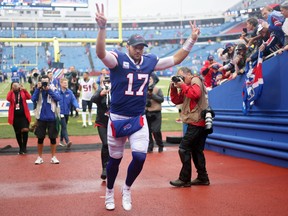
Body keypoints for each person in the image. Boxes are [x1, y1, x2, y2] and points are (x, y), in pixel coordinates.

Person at [95, 3, 200, 211]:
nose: (139, 50)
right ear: (128, 46)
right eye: (136, 47)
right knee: (114, 161)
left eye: (142, 47)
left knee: (140, 157)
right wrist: (102, 29)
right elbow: (100, 53)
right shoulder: (118, 59)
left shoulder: (149, 61)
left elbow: (176, 58)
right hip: (116, 117)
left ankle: (126, 188)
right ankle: (109, 192)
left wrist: (192, 40)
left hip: (137, 118)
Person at [169, 67, 210, 187]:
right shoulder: (187, 85)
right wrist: (173, 88)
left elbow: (195, 94)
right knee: (196, 150)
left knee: (184, 148)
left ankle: (185, 179)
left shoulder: (195, 80)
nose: (181, 79)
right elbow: (176, 100)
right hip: (197, 122)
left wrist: (182, 85)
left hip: (196, 122)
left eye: (182, 76)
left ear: (189, 75)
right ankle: (203, 177)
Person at [32, 75, 61, 165]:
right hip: (41, 117)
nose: (45, 83)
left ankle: (53, 157)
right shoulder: (38, 89)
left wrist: (49, 90)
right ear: (40, 81)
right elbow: (33, 99)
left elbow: (58, 98)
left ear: (49, 81)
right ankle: (40, 157)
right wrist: (38, 89)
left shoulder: (53, 88)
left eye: (46, 81)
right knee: (40, 138)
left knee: (53, 138)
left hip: (52, 117)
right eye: (43, 81)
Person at [91, 75, 111, 181]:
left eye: (109, 81)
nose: (107, 83)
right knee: (106, 143)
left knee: (114, 146)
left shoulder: (116, 91)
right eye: (105, 81)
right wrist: (101, 94)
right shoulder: (100, 90)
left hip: (114, 123)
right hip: (102, 122)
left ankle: (111, 166)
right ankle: (104, 167)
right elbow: (93, 99)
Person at [7, 82, 31, 155]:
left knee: (25, 131)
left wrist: (24, 90)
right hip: (15, 117)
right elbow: (8, 99)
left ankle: (24, 147)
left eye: (16, 85)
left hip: (24, 115)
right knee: (18, 133)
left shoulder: (22, 92)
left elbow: (29, 97)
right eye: (14, 85)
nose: (15, 86)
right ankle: (21, 148)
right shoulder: (11, 93)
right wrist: (12, 90)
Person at [58, 78, 80, 148]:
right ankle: (67, 141)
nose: (66, 84)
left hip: (67, 112)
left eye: (66, 83)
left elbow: (73, 100)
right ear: (60, 84)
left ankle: (61, 140)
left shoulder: (69, 92)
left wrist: (76, 107)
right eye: (64, 83)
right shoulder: (57, 92)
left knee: (64, 126)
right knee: (64, 126)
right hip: (60, 112)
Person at [146, 76, 164, 153]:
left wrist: (152, 95)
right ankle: (150, 146)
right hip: (146, 112)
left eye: (150, 79)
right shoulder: (143, 89)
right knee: (148, 131)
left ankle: (160, 145)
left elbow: (161, 99)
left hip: (156, 112)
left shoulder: (157, 89)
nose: (149, 80)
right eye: (148, 79)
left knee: (156, 131)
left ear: (154, 80)